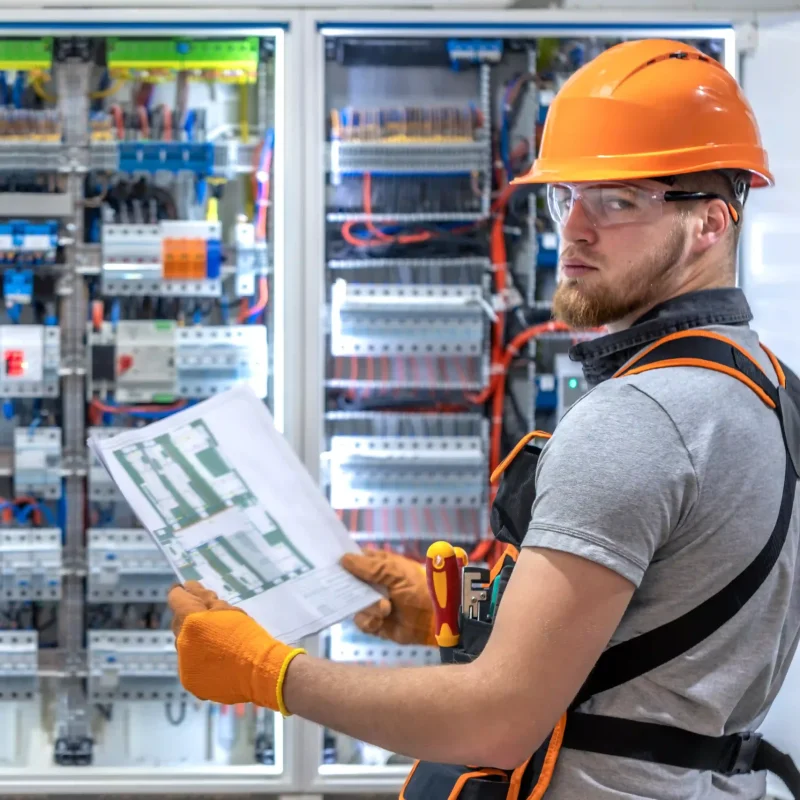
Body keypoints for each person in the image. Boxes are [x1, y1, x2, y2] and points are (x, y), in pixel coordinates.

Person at [167, 38, 800, 799]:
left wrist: (267, 671)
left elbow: (495, 721)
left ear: (711, 223)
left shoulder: (643, 417)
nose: (574, 230)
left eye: (618, 201)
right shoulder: (770, 389)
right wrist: (454, 606)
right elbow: (651, 624)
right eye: (567, 197)